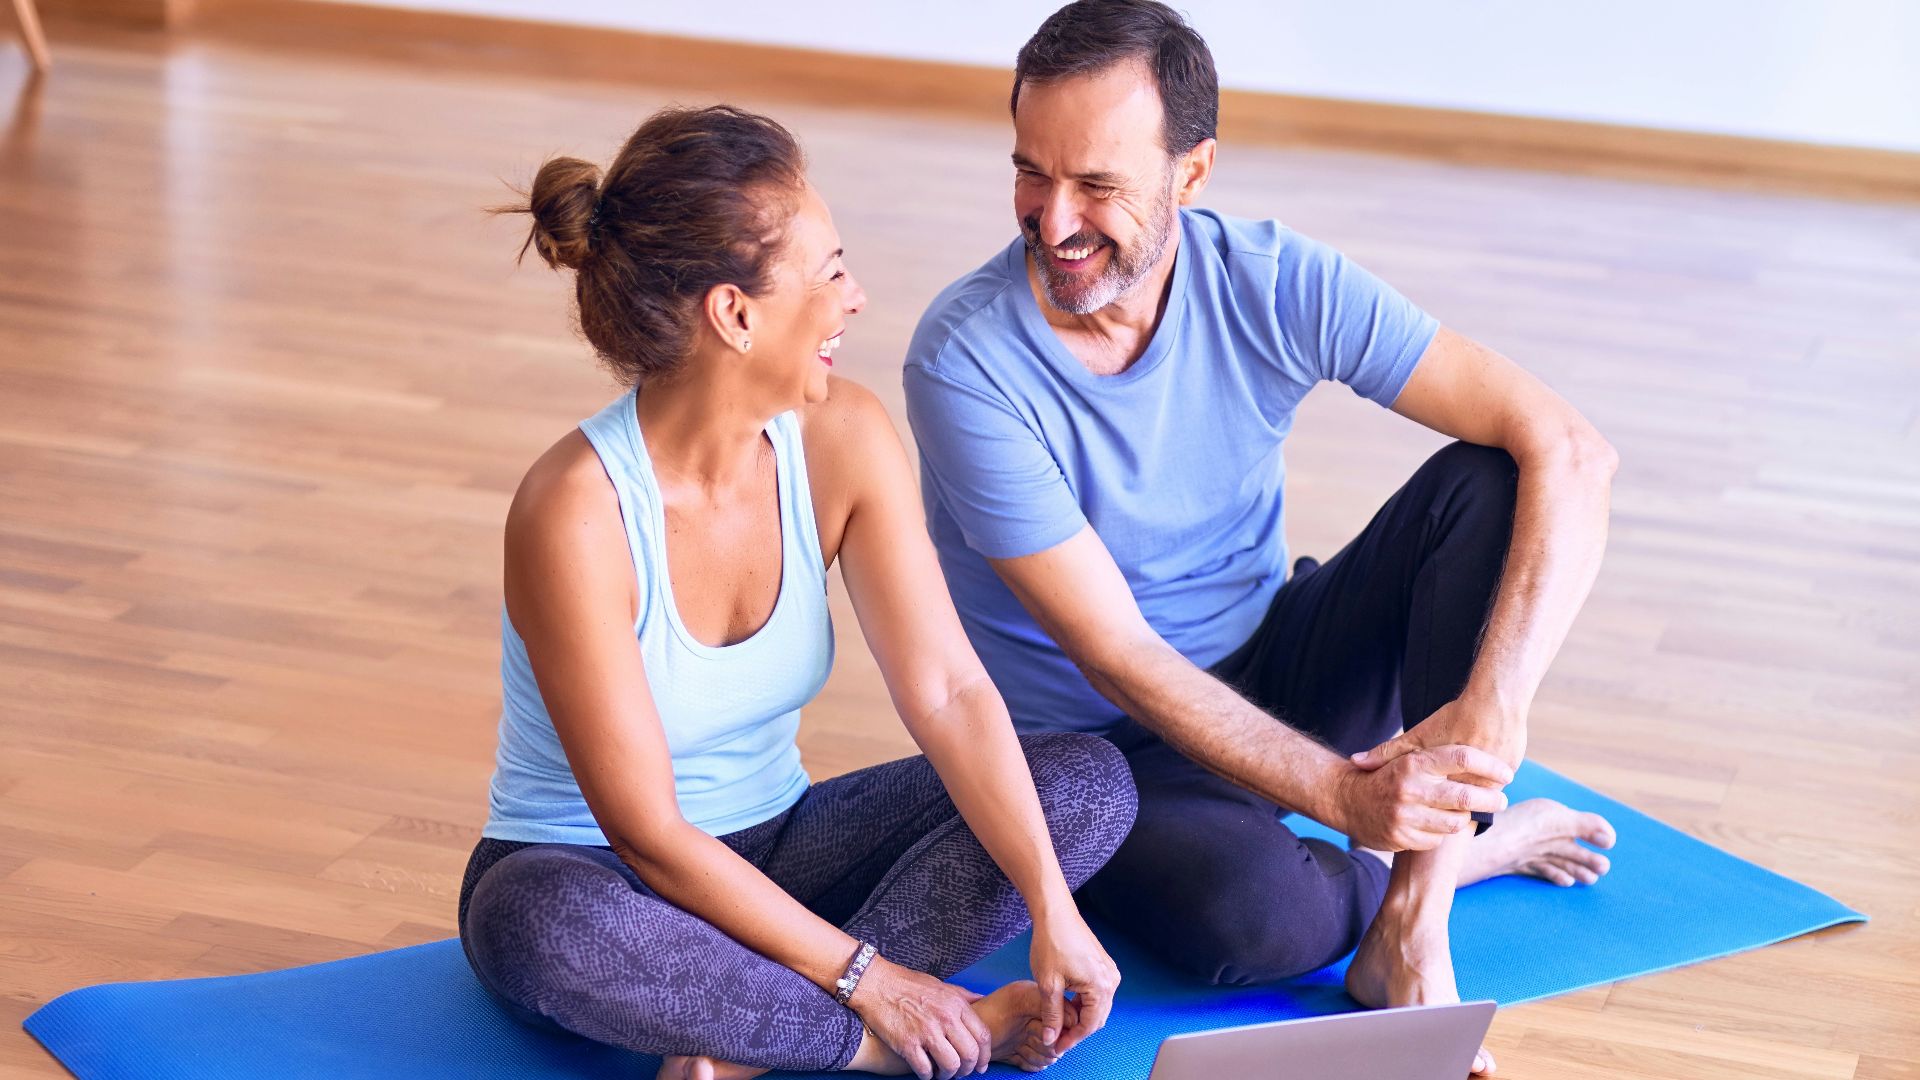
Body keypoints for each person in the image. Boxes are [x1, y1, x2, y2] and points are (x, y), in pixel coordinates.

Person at [903, 2, 1619, 1074]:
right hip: (1107, 755)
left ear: (1191, 175)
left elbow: (1569, 447)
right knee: (1251, 925)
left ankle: (1413, 931)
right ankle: (1474, 854)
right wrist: (1344, 797)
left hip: (1280, 660)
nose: (1052, 222)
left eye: (1098, 186)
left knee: (1491, 478)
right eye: (1030, 174)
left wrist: (1495, 707)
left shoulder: (1274, 280)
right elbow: (1121, 656)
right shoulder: (965, 363)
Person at [458, 104, 1137, 1080]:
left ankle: (739, 1046)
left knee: (1085, 786)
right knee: (545, 928)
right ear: (734, 315)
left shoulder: (844, 439)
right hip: (592, 873)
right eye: (828, 274)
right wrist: (874, 982)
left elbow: (948, 690)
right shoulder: (574, 512)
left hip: (780, 844)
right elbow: (647, 834)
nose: (855, 297)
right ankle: (882, 1045)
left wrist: (1052, 910)